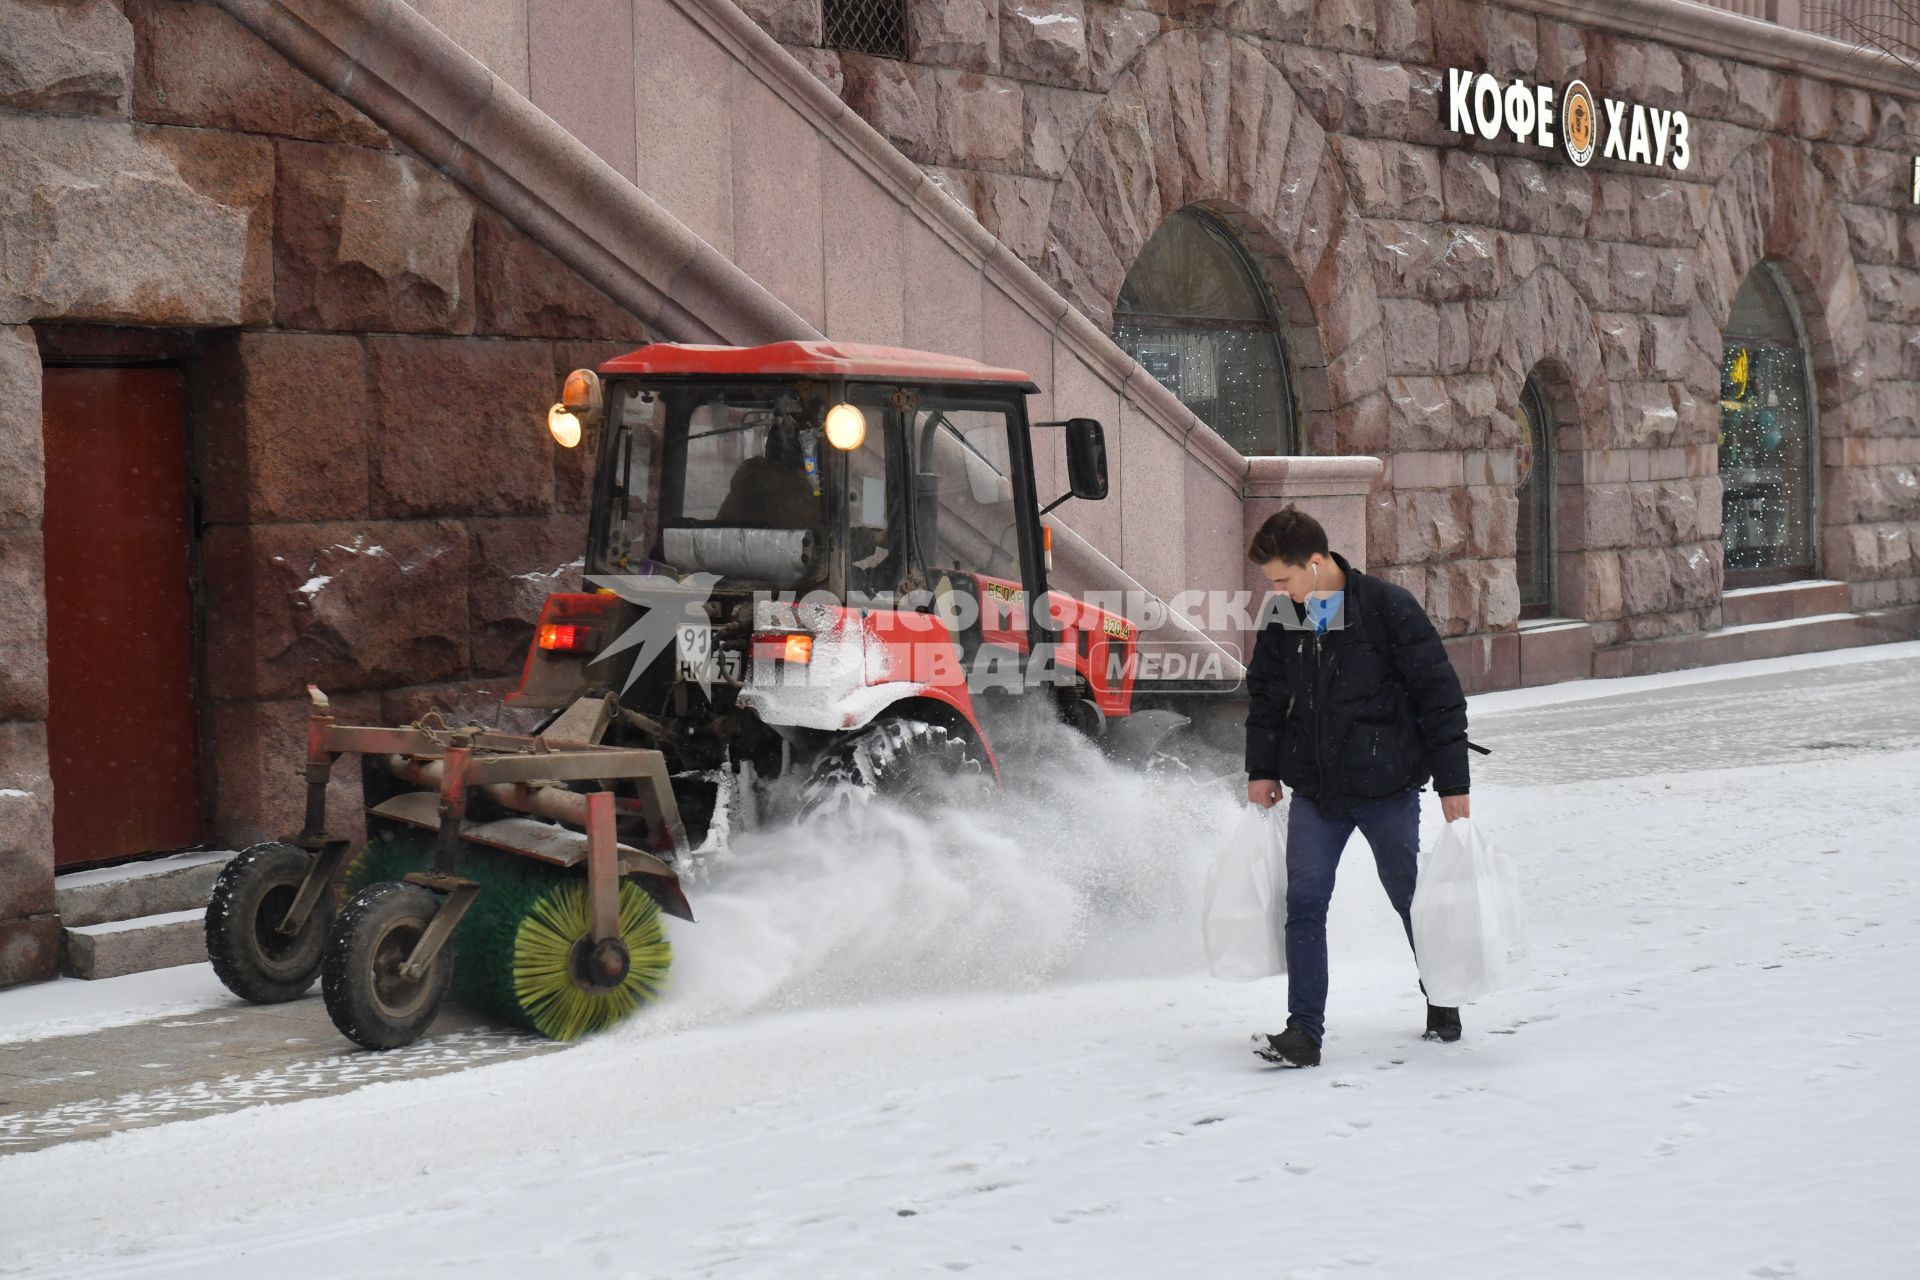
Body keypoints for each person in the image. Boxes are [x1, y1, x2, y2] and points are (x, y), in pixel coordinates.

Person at [1242, 506, 1473, 1068]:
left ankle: (1442, 1000)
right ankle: (1304, 1032)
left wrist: (1453, 782)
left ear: (1316, 564)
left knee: (1408, 897)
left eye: (1284, 578)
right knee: (1304, 900)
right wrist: (1262, 769)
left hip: (1387, 786)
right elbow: (1267, 699)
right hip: (1318, 792)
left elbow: (1438, 695)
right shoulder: (1285, 617)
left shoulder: (1385, 609)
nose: (1278, 591)